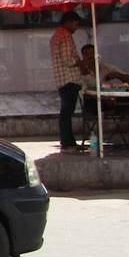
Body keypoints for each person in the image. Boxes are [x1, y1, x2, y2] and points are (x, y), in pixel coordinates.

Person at [51, 10, 86, 153]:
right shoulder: (65, 35)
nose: (76, 29)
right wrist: (81, 62)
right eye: (76, 25)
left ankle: (68, 141)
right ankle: (68, 143)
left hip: (62, 79)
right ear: (69, 22)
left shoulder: (56, 36)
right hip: (69, 79)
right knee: (66, 113)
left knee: (66, 113)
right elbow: (68, 60)